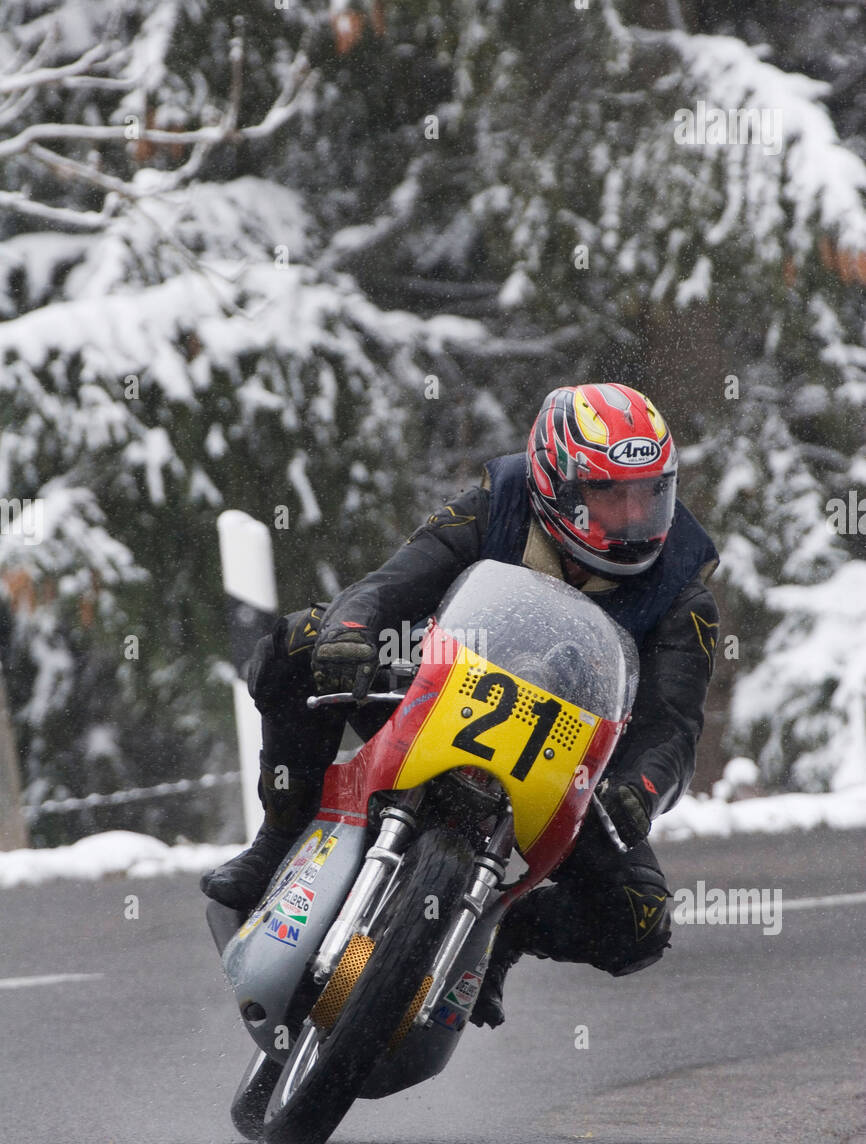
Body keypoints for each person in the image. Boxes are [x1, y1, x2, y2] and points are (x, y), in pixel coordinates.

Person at [201, 383, 720, 1028]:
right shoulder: (494, 506)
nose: (634, 518)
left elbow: (675, 727)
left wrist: (640, 788)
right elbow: (393, 582)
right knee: (300, 641)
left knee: (641, 920)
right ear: (554, 486)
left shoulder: (683, 594)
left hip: (569, 769)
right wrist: (351, 634)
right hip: (437, 693)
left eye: (650, 495)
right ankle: (279, 837)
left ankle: (500, 937)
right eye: (610, 497)